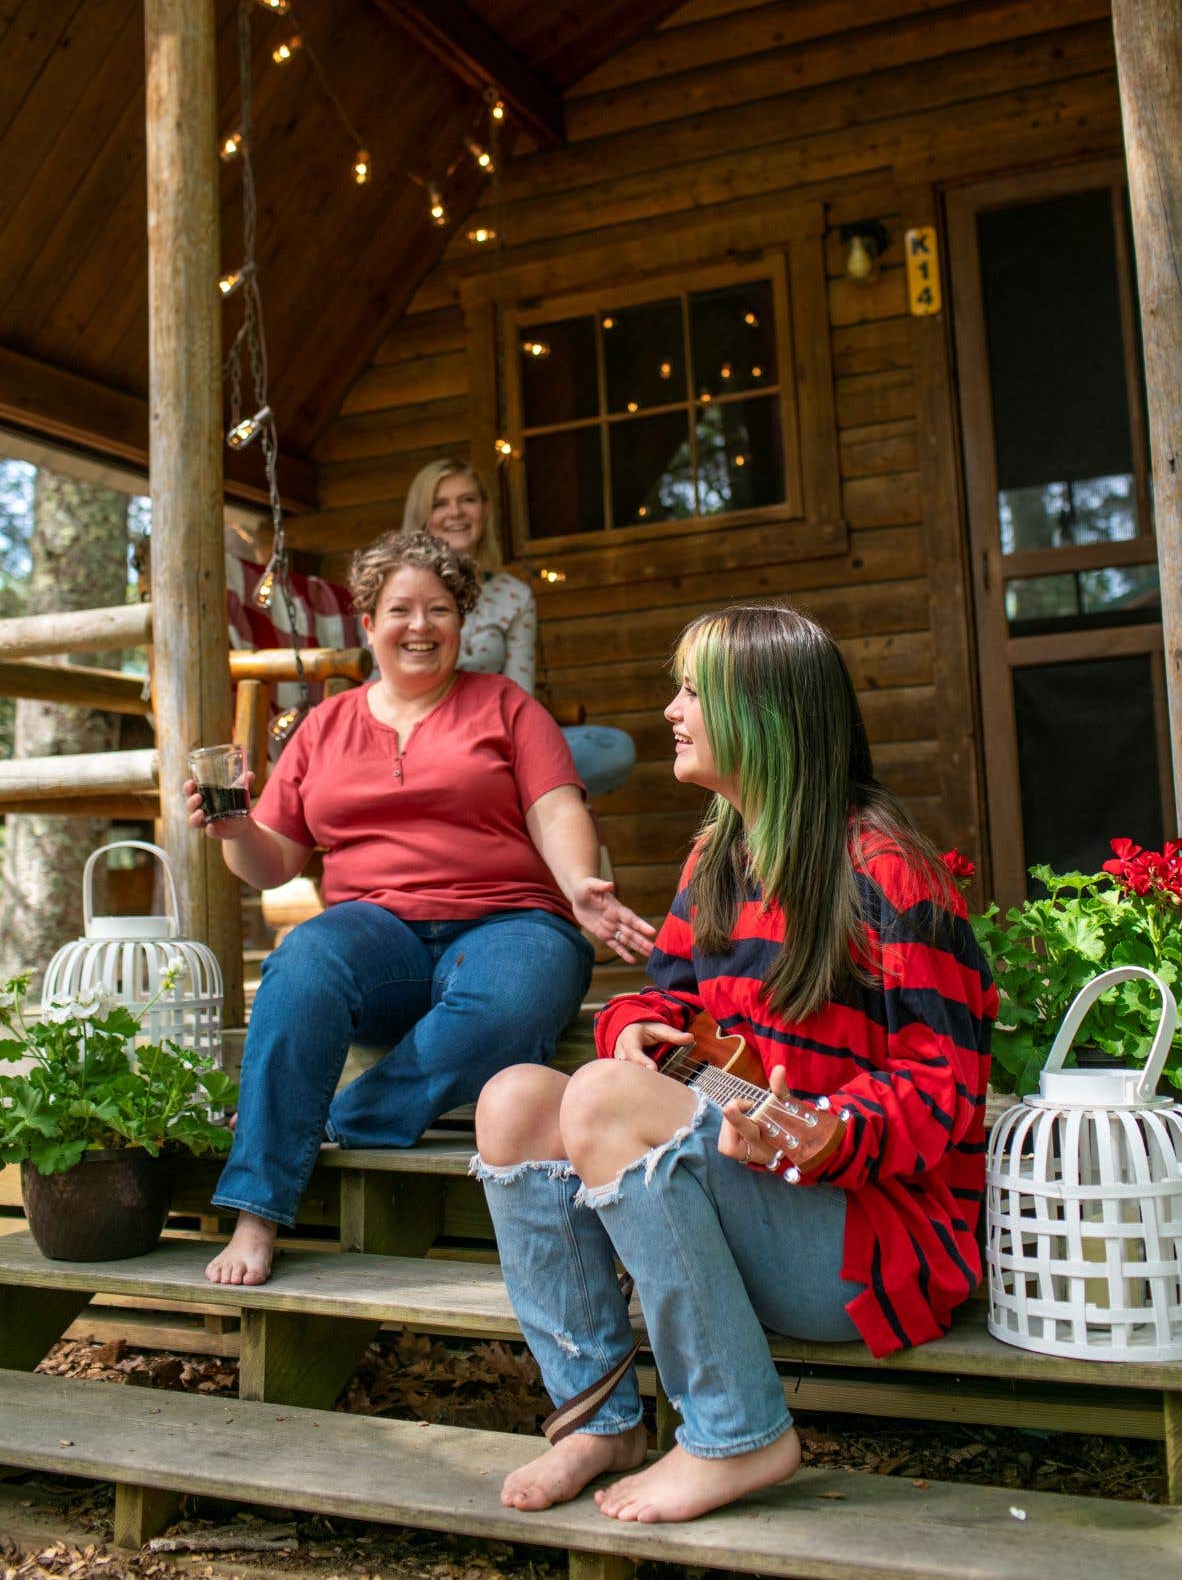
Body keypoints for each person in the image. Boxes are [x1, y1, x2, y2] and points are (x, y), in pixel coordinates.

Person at [471, 603, 997, 1525]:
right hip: (749, 1182)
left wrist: (833, 1133)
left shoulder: (886, 870)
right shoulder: (720, 856)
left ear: (765, 710)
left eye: (693, 690)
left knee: (597, 1100)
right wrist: (635, 1027)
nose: (672, 709)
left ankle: (736, 1432)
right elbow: (664, 999)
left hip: (864, 1236)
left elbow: (944, 1083)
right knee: (515, 1100)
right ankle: (600, 1418)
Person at [186, 530, 654, 1288]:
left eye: (439, 608)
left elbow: (556, 807)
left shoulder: (505, 705)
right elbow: (271, 863)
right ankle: (256, 1211)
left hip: (511, 921)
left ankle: (339, 1116)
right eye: (400, 608)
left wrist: (576, 884)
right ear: (368, 622)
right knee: (303, 959)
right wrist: (235, 830)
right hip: (378, 934)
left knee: (510, 1000)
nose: (420, 624)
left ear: (461, 622)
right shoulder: (324, 725)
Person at [402, 458, 636, 798]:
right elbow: (379, 685)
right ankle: (502, 793)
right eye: (440, 503)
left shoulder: (513, 595)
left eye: (467, 500)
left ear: (484, 510)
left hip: (495, 740)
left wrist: (495, 741)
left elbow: (519, 697)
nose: (456, 512)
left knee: (613, 747)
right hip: (418, 737)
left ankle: (489, 788)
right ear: (422, 516)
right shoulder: (403, 591)